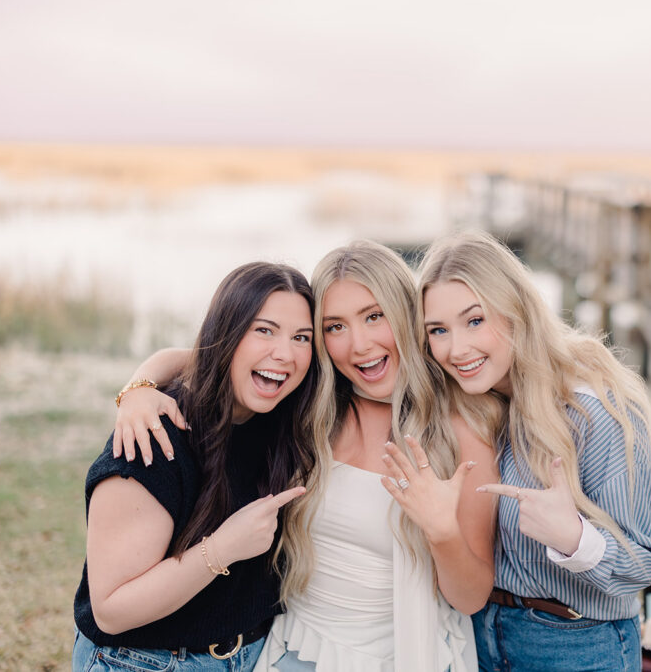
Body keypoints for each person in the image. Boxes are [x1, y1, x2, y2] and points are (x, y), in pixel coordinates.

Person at [113, 241, 497, 672]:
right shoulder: (310, 408)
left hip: (393, 656)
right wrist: (140, 387)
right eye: (335, 327)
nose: (359, 346)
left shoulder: (458, 430)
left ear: (406, 315)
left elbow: (470, 597)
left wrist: (443, 531)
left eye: (374, 316)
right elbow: (219, 360)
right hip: (288, 650)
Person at [417, 231, 651, 672]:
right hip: (478, 637)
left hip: (575, 645)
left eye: (475, 321)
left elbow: (647, 566)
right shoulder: (474, 407)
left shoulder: (598, 413)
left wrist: (576, 539)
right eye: (438, 330)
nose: (456, 349)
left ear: (517, 312)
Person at [72, 262, 320, 672]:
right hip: (144, 662)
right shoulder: (155, 437)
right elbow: (112, 610)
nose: (284, 353)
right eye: (264, 329)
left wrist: (141, 379)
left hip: (254, 656)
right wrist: (222, 548)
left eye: (301, 337)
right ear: (226, 333)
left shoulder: (281, 417)